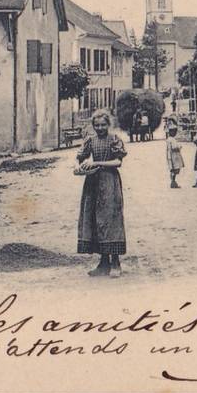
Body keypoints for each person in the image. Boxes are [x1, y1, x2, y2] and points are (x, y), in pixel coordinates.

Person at [74, 111, 128, 278]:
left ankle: (115, 262)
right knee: (96, 220)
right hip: (93, 183)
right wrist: (79, 166)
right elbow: (81, 157)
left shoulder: (114, 139)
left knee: (111, 219)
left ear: (108, 124)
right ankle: (103, 263)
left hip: (110, 182)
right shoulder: (91, 140)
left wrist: (96, 162)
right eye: (96, 125)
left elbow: (118, 162)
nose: (100, 128)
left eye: (103, 125)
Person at [165, 122, 185, 189]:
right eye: (173, 131)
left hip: (172, 156)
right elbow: (174, 147)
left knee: (173, 169)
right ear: (171, 132)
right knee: (175, 168)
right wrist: (179, 147)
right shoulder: (171, 139)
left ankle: (173, 182)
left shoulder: (170, 139)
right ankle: (173, 182)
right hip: (174, 156)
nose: (175, 133)